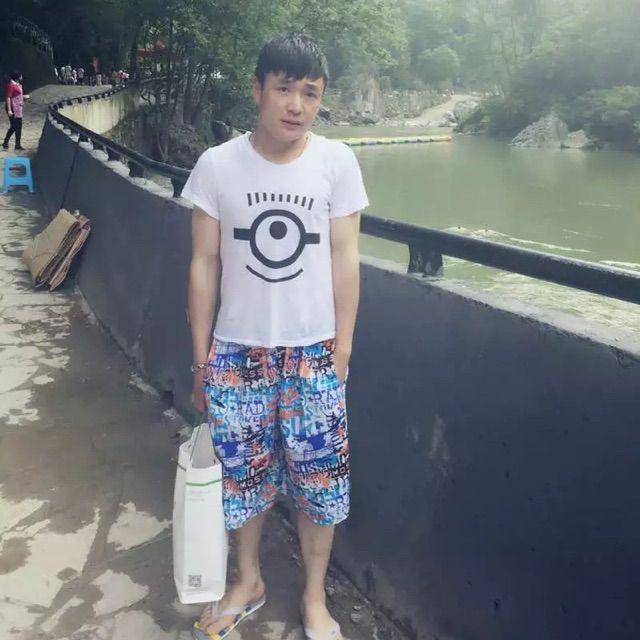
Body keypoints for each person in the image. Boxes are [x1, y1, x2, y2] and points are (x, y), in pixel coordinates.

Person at [181, 34, 368, 640]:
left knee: (321, 483)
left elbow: (345, 258)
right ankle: (249, 581)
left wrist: (342, 349)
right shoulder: (217, 165)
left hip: (314, 353)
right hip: (237, 353)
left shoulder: (337, 163)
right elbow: (204, 263)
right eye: (284, 89)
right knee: (244, 479)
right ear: (258, 88)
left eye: (309, 93)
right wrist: (202, 360)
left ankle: (315, 596)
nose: (295, 105)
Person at [3, 71, 28, 151]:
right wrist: (9, 110)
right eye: (21, 76)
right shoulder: (11, 85)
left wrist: (23, 97)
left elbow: (17, 96)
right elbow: (8, 97)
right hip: (12, 107)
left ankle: (18, 144)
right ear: (18, 77)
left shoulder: (18, 85)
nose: (22, 77)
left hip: (18, 107)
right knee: (14, 126)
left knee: (19, 126)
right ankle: (6, 141)